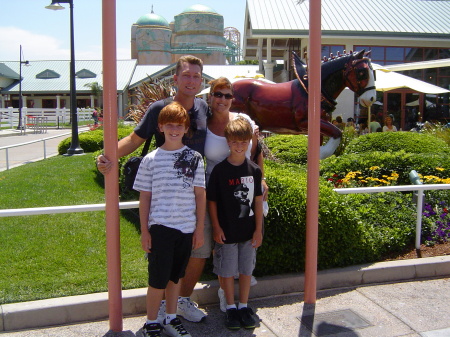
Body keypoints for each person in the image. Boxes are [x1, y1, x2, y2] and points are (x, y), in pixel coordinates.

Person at [97, 55, 209, 322]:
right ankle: (160, 310)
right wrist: (106, 156)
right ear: (176, 79)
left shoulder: (204, 108)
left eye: (196, 76)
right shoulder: (160, 108)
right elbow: (135, 139)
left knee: (198, 252)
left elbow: (224, 127)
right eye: (186, 75)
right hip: (165, 203)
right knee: (163, 263)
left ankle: (180, 302)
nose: (191, 81)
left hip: (195, 196)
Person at [134, 102, 206, 337]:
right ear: (160, 127)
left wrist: (198, 230)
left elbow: (200, 195)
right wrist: (145, 231)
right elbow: (144, 199)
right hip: (160, 229)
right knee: (157, 280)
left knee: (176, 277)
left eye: (179, 125)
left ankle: (171, 318)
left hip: (185, 229)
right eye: (169, 125)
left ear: (186, 128)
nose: (174, 129)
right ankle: (151, 322)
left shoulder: (195, 158)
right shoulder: (150, 160)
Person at [203, 77, 268, 312]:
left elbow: (256, 151)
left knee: (245, 247)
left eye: (227, 95)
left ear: (233, 98)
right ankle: (227, 298)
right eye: (218, 94)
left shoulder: (244, 121)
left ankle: (240, 301)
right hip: (218, 191)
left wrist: (262, 180)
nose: (222, 99)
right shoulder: (202, 122)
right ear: (210, 96)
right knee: (222, 248)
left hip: (246, 187)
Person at [207, 117, 263, 330]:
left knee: (246, 270)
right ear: (228, 142)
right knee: (227, 271)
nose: (239, 146)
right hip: (226, 232)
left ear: (249, 142)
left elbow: (257, 201)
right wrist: (216, 227)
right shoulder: (220, 171)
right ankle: (230, 307)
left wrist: (259, 229)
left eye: (243, 142)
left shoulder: (254, 171)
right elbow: (212, 201)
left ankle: (244, 306)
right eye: (235, 142)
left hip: (248, 232)